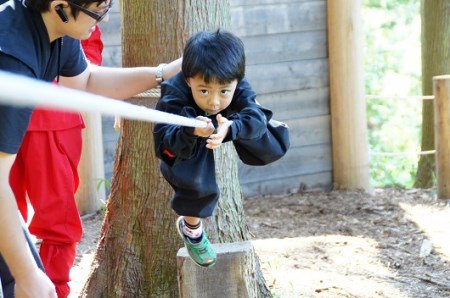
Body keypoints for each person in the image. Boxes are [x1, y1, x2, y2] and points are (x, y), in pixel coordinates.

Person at [0, 1, 181, 297]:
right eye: (100, 7)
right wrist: (28, 275)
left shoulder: (58, 30)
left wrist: (163, 72)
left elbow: (86, 81)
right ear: (60, 6)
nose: (106, 17)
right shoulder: (12, 58)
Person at [153, 30, 279, 267]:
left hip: (227, 121)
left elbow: (254, 116)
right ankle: (192, 231)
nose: (213, 101)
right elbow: (164, 143)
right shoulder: (174, 92)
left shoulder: (237, 85)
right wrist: (190, 132)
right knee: (198, 180)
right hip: (185, 130)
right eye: (204, 90)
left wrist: (231, 128)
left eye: (223, 91)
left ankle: (228, 123)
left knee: (270, 133)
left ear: (236, 82)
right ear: (188, 79)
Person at [8, 25, 103, 298]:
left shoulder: (73, 12)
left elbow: (88, 50)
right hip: (6, 113)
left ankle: (54, 290)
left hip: (53, 116)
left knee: (57, 216)